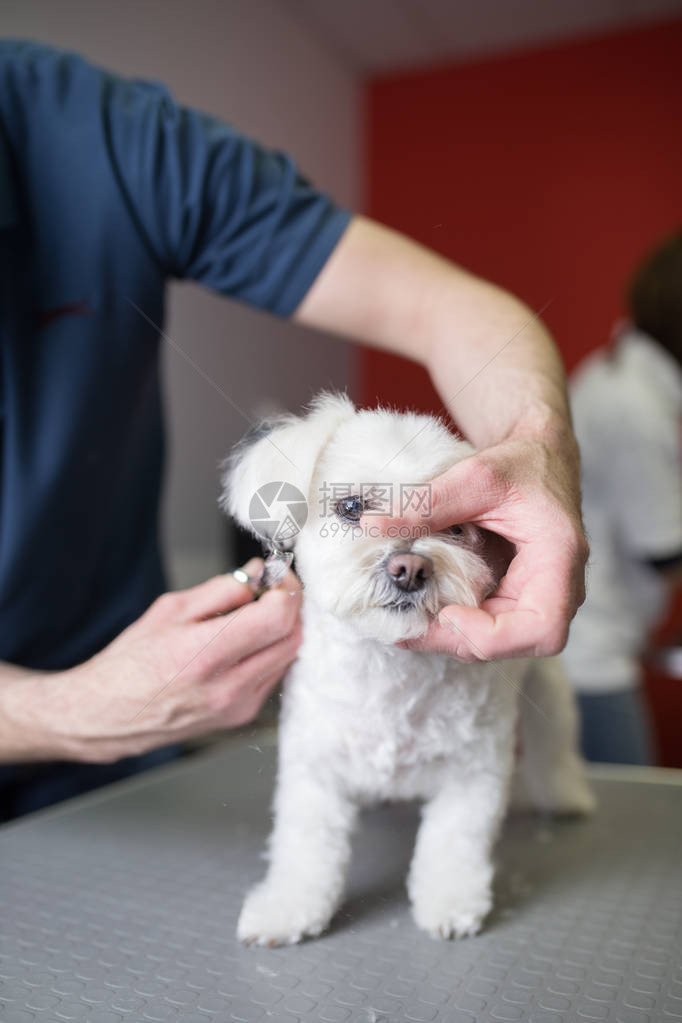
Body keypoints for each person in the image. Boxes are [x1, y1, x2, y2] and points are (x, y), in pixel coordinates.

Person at [0, 40, 587, 815]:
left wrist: (536, 450)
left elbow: (451, 310)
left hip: (138, 752)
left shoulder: (109, 137)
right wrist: (72, 711)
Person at [560, 233, 682, 764]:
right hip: (590, 652)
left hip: (593, 637)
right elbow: (665, 551)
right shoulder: (634, 406)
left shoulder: (625, 375)